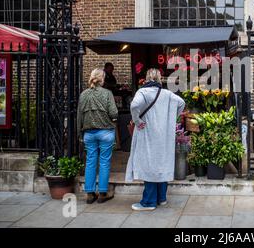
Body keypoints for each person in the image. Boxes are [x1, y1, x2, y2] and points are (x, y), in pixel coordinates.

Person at [126, 68, 185, 211]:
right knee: (161, 163)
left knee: (149, 164)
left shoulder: (143, 92)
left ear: (146, 78)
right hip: (163, 135)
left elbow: (134, 105)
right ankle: (161, 198)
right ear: (160, 79)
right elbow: (182, 102)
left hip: (147, 133)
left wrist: (137, 120)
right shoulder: (167, 94)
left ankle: (149, 202)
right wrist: (171, 119)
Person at [77, 68, 118, 204]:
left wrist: (80, 133)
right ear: (103, 79)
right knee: (104, 162)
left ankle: (89, 194)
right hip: (106, 132)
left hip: (89, 133)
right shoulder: (107, 93)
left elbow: (79, 116)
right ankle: (102, 193)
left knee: (90, 162)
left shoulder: (84, 95)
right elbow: (113, 113)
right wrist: (112, 117)